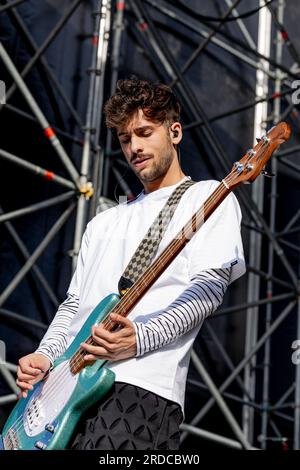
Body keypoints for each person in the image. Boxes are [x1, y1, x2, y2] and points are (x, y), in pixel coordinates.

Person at [16, 78, 245, 450]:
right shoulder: (104, 221)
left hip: (138, 387)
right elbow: (75, 305)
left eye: (144, 132)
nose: (134, 146)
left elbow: (208, 290)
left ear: (174, 132)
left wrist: (138, 339)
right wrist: (45, 354)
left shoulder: (207, 197)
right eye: (124, 139)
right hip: (59, 395)